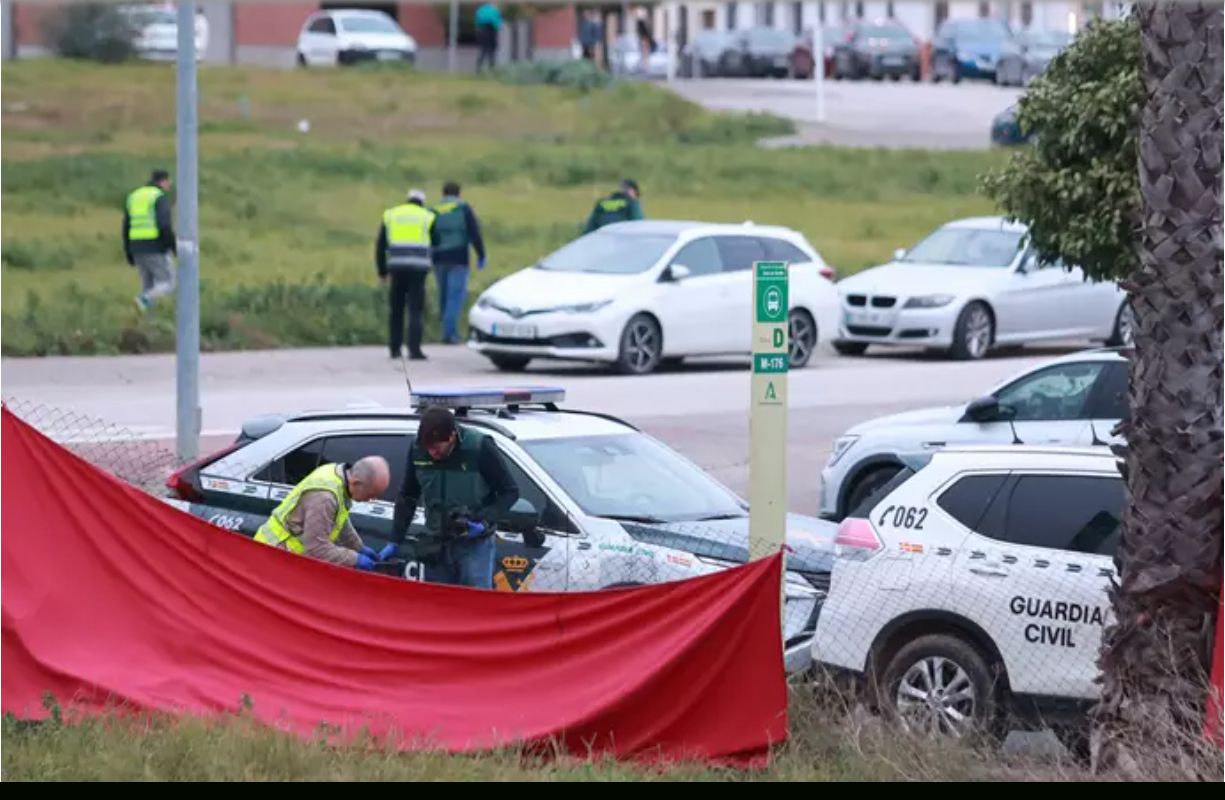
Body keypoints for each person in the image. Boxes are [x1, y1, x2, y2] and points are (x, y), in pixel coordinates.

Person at [391, 406, 519, 589]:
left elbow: (510, 492)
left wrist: (484, 520)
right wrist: (395, 539)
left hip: (474, 546)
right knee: (440, 608)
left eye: (436, 448)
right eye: (427, 448)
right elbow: (408, 496)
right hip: (435, 544)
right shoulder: (417, 448)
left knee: (476, 608)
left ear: (452, 437)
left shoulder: (479, 447)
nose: (431, 453)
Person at [253, 457, 395, 570]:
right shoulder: (325, 498)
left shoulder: (337, 475)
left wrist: (358, 547)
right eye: (371, 494)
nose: (372, 500)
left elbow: (339, 521)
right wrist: (355, 558)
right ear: (356, 483)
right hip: (274, 557)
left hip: (284, 557)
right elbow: (316, 549)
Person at [376, 188, 437, 360]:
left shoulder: (391, 215)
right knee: (415, 310)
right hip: (418, 270)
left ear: (407, 199)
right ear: (422, 202)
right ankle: (414, 350)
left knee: (396, 310)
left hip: (397, 268)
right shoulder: (427, 216)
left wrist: (382, 271)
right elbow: (437, 240)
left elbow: (380, 245)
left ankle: (395, 349)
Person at [431, 181, 487, 345]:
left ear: (443, 193)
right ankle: (450, 334)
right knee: (454, 297)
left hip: (438, 257)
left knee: (443, 295)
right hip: (459, 257)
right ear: (459, 193)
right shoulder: (463, 208)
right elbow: (474, 233)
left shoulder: (434, 210)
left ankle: (444, 330)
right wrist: (481, 255)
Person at [123, 169, 176, 312]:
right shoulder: (159, 197)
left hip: (136, 247)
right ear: (164, 181)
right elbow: (164, 225)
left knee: (148, 286)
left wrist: (128, 251)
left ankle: (146, 319)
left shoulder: (134, 196)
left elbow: (126, 226)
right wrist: (172, 246)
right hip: (155, 246)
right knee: (168, 283)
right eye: (168, 182)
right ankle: (143, 300)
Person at [474, 2, 503, 73]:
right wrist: (498, 27)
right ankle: (492, 69)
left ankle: (478, 69)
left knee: (483, 51)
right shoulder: (494, 10)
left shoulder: (480, 10)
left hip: (482, 31)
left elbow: (477, 22)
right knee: (491, 52)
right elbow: (497, 22)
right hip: (491, 31)